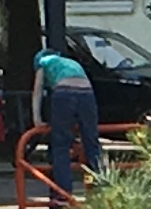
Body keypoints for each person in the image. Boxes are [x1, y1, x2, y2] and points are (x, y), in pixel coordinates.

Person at [35, 33, 103, 190]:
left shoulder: (43, 62)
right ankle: (101, 186)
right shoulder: (71, 63)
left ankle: (63, 193)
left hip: (64, 92)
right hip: (87, 93)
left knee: (61, 145)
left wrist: (37, 119)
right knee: (91, 142)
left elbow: (37, 92)